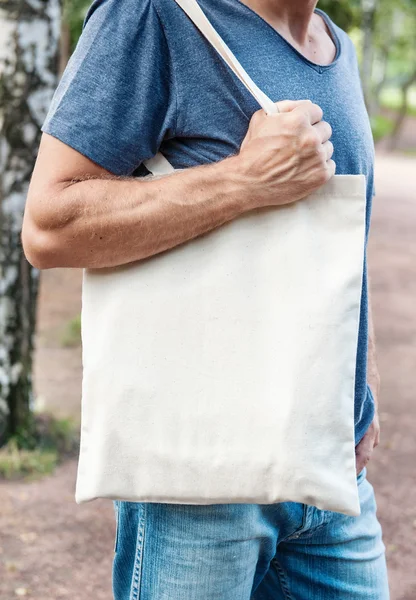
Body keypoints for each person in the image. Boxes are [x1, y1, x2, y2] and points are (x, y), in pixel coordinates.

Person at [23, 0, 389, 597]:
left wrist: (362, 382)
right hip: (200, 479)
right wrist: (244, 180)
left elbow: (344, 239)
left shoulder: (336, 44)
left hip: (333, 475)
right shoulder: (152, 16)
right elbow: (48, 226)